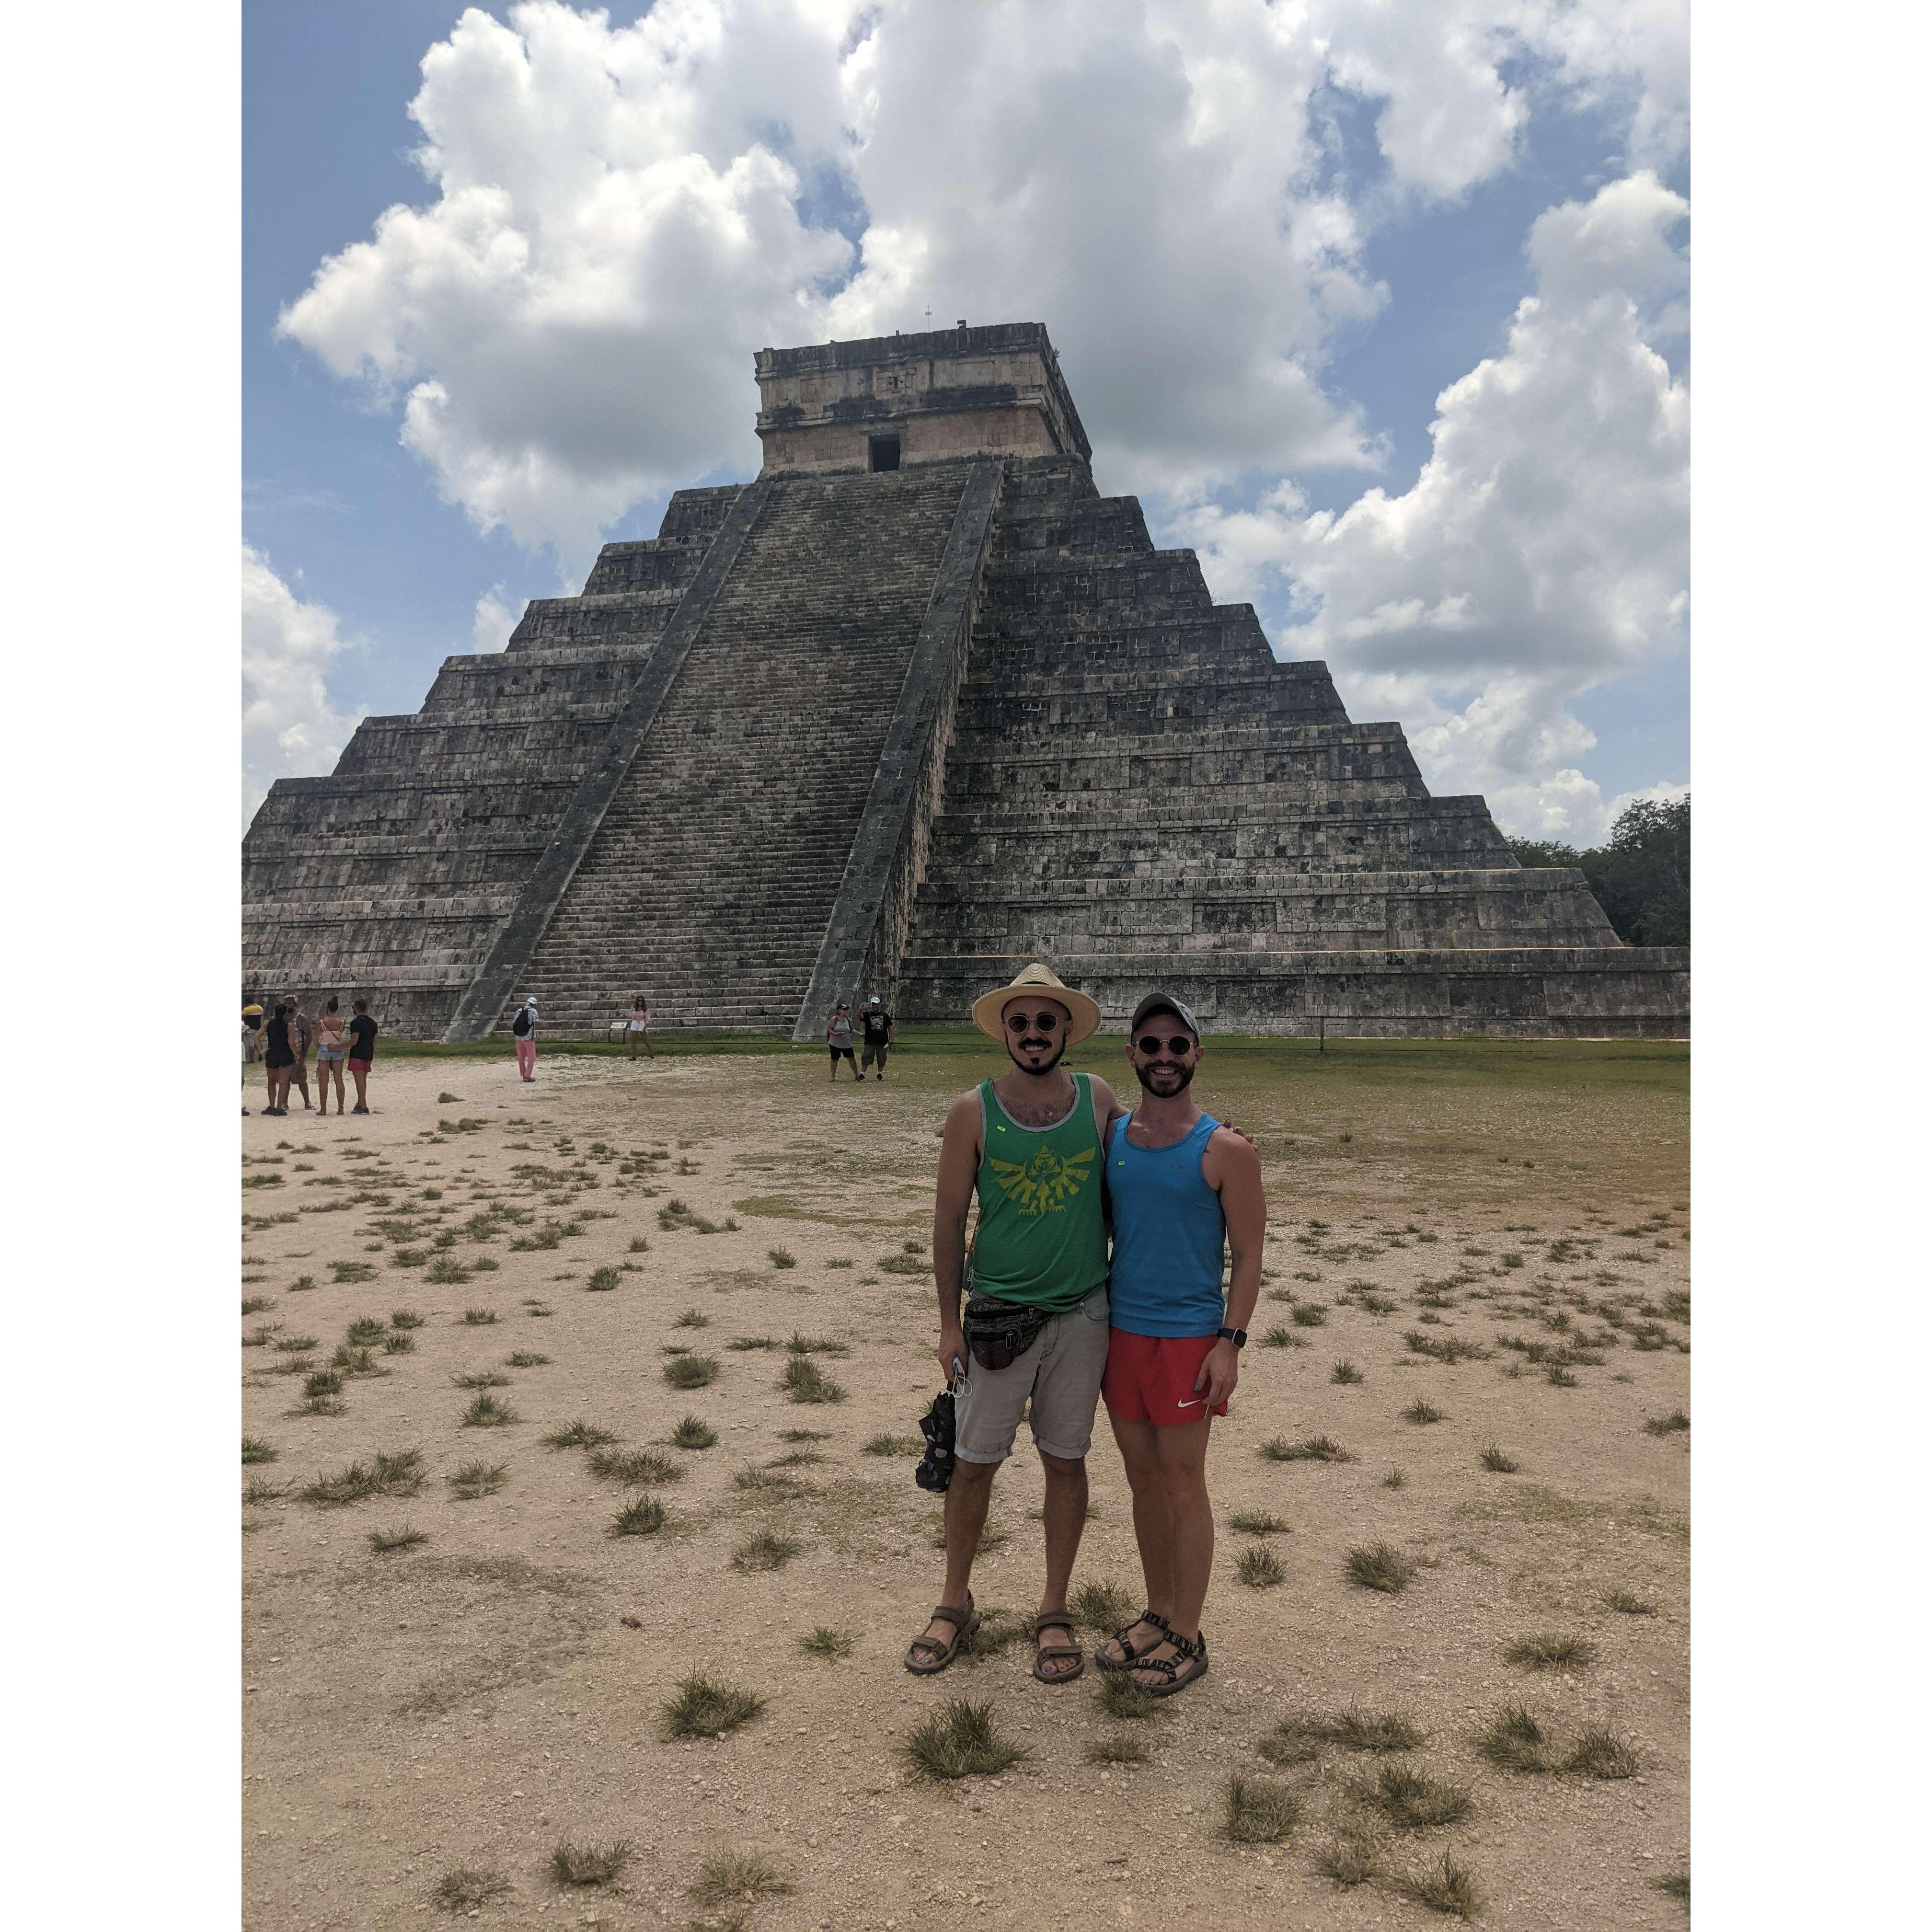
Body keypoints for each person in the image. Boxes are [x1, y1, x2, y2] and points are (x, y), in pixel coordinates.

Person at [905, 963, 1126, 1687]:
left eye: (1047, 1022)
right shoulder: (974, 1110)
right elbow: (947, 1221)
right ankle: (953, 1600)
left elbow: (1149, 1163)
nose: (1034, 1034)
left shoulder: (1098, 1100)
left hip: (1083, 1314)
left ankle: (1054, 1607)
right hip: (997, 1314)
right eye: (1021, 1023)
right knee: (973, 1466)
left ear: (1068, 1030)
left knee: (1066, 1460)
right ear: (1006, 1031)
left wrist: (1218, 1140)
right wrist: (946, 1323)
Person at [1091, 992, 1264, 1699]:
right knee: (1141, 1483)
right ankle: (1158, 1611)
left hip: (1188, 1337)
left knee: (1185, 1486)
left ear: (1198, 1054)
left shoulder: (1226, 1149)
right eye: (1151, 1045)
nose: (1165, 1058)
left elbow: (1249, 1257)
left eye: (1178, 1045)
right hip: (1121, 1332)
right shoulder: (1114, 1141)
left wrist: (1230, 1343)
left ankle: (1188, 1632)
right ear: (1131, 1055)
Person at [314, 997, 347, 1115]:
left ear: (327, 1009)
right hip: (337, 1049)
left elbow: (317, 1040)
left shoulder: (322, 1023)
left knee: (324, 1080)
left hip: (324, 1049)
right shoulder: (342, 1023)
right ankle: (341, 1108)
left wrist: (321, 1047)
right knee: (339, 1079)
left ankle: (323, 1109)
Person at [261, 1002, 295, 1115]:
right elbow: (291, 1043)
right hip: (285, 1054)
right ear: (285, 1014)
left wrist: (262, 1051)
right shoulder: (289, 1026)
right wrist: (296, 1055)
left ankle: (271, 1106)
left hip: (272, 1054)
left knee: (271, 1081)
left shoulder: (268, 1024)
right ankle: (279, 1108)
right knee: (284, 1082)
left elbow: (257, 1037)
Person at [345, 998, 378, 1113]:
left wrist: (339, 1047)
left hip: (357, 1054)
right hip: (368, 1053)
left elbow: (354, 1041)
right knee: (363, 1081)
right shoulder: (373, 1023)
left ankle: (363, 1105)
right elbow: (374, 1041)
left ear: (357, 1008)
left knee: (359, 1081)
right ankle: (360, 1102)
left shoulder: (356, 1023)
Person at [284, 993, 314, 1111]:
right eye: (286, 1003)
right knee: (285, 1079)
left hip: (298, 1052)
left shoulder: (301, 1018)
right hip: (286, 1052)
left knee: (302, 1079)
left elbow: (309, 1036)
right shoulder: (284, 1017)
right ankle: (284, 1103)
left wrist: (304, 1052)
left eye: (289, 1003)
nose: (287, 1005)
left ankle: (307, 1102)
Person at [860, 995, 894, 1081]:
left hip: (882, 1041)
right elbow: (859, 1017)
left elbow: (890, 1027)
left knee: (881, 1058)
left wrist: (891, 1038)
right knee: (866, 1057)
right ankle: (862, 1074)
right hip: (870, 1040)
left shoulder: (885, 1015)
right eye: (873, 1005)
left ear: (879, 1004)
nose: (875, 1006)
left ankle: (879, 1073)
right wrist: (860, 1009)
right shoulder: (867, 1015)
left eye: (876, 1005)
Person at [826, 1002, 860, 1082]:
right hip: (835, 1043)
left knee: (851, 1059)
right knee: (835, 1059)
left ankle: (856, 1075)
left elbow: (851, 1030)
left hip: (846, 1043)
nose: (845, 1011)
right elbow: (829, 1029)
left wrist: (860, 1034)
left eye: (846, 1009)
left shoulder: (848, 1020)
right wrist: (835, 1034)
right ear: (839, 1010)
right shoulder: (834, 1019)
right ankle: (833, 1076)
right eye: (843, 1009)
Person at [511, 996, 538, 1081]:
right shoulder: (533, 1011)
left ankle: (523, 1074)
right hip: (529, 1036)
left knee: (521, 1056)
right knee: (532, 1056)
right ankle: (528, 1076)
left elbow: (514, 1023)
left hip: (519, 1037)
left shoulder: (519, 1011)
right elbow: (535, 1024)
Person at [627, 993, 654, 1059]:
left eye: (642, 1000)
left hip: (642, 1023)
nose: (641, 1002)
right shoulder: (634, 1008)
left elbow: (648, 1018)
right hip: (635, 1022)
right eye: (639, 1000)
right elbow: (630, 1013)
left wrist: (646, 1026)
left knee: (645, 1040)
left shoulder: (645, 1009)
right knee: (633, 1040)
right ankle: (634, 1056)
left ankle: (651, 1053)